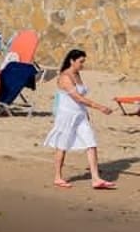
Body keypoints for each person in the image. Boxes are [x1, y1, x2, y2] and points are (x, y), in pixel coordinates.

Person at [45, 48, 117, 190]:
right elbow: (77, 98)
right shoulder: (65, 77)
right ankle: (58, 177)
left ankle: (96, 179)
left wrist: (86, 113)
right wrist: (99, 107)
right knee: (62, 145)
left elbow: (81, 97)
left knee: (91, 143)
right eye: (80, 62)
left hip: (80, 115)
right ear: (72, 61)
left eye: (83, 62)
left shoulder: (77, 74)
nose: (82, 65)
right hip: (67, 116)